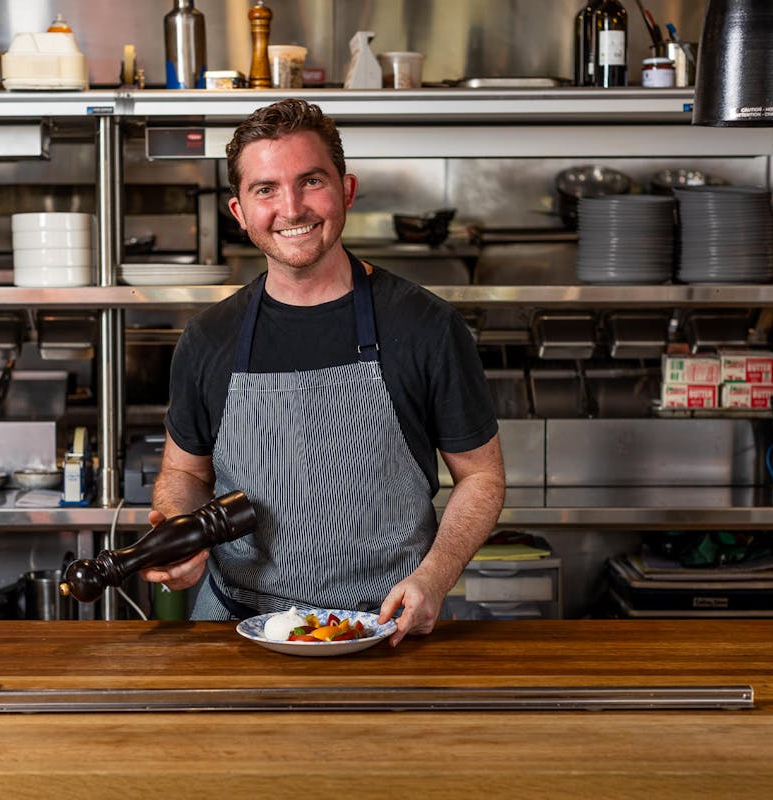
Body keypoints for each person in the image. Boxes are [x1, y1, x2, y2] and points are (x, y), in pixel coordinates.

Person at [140, 99, 505, 646]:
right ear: (239, 212)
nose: (291, 208)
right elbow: (186, 473)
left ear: (346, 191)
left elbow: (481, 476)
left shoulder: (426, 325)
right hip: (237, 631)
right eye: (266, 189)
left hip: (386, 628)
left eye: (311, 181)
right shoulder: (210, 336)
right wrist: (180, 528)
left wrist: (435, 575)